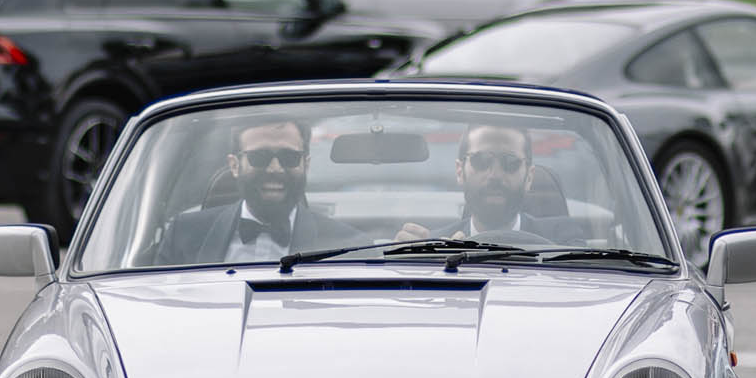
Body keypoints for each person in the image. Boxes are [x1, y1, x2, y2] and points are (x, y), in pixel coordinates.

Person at [156, 117, 364, 264]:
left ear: (306, 165)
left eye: (289, 158)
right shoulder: (182, 235)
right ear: (234, 165)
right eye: (259, 157)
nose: (275, 169)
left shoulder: (348, 246)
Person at [397, 122, 588, 244]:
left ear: (529, 177)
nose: (494, 175)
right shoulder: (430, 246)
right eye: (481, 161)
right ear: (459, 171)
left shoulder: (564, 241)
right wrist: (405, 261)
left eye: (510, 163)